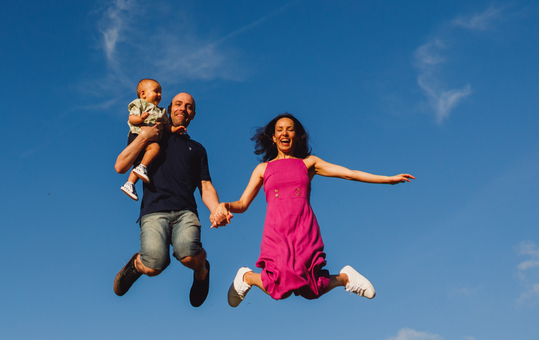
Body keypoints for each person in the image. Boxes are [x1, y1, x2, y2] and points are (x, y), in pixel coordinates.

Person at [219, 113, 414, 307]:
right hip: (276, 230)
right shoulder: (263, 169)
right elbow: (243, 203)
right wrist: (225, 206)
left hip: (303, 227)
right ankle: (247, 277)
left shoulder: (308, 163)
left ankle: (346, 278)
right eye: (279, 130)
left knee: (310, 289)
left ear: (297, 136)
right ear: (273, 137)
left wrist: (387, 179)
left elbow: (349, 174)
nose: (284, 133)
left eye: (290, 129)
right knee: (279, 286)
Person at [112, 92, 231, 307]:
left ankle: (202, 270)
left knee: (188, 255)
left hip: (185, 212)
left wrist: (216, 209)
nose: (182, 109)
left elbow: (205, 185)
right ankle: (137, 265)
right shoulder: (150, 136)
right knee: (154, 266)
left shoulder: (197, 149)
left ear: (193, 115)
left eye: (188, 107)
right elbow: (120, 166)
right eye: (178, 104)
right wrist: (144, 136)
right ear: (169, 108)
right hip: (154, 210)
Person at [120, 78, 168, 200]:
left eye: (160, 93)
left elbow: (167, 125)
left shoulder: (161, 111)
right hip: (137, 135)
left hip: (150, 138)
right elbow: (132, 118)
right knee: (155, 148)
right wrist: (141, 119)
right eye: (156, 91)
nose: (159, 95)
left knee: (138, 164)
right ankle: (142, 168)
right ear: (143, 94)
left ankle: (129, 184)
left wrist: (174, 129)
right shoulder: (139, 104)